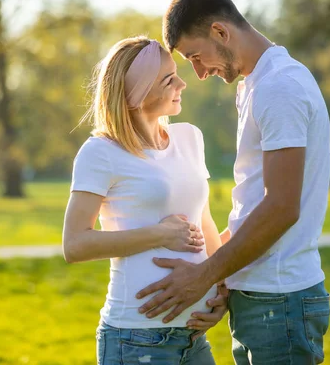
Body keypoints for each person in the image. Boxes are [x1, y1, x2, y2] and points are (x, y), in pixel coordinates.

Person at [135, 0, 330, 364]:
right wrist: (222, 280)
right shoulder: (258, 84)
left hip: (279, 303)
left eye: (195, 56)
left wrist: (203, 276)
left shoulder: (279, 87)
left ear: (221, 32)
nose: (198, 72)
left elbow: (280, 208)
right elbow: (254, 206)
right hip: (262, 301)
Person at [63, 36, 227, 364]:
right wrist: (161, 234)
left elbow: (204, 221)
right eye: (169, 79)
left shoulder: (190, 137)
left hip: (194, 335)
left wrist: (222, 288)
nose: (182, 83)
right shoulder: (101, 152)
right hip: (136, 339)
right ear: (137, 93)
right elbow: (75, 244)